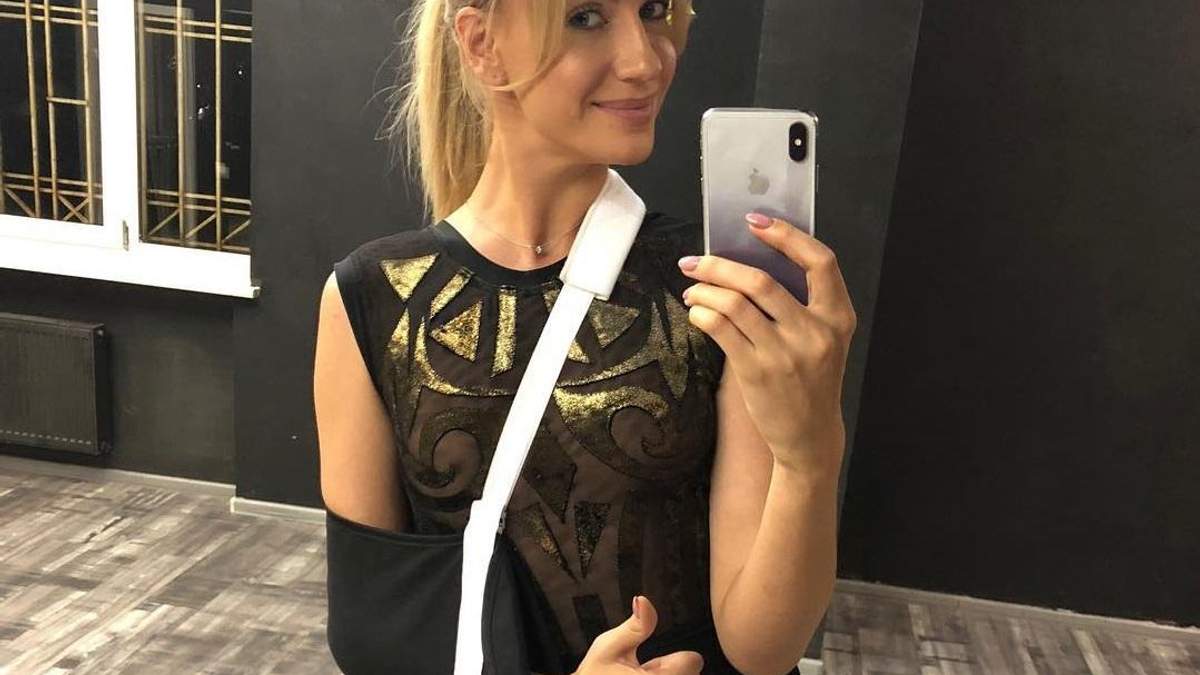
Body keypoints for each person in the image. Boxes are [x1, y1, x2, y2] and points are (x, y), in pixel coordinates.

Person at [312, 0, 858, 673]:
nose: (645, 60)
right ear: (483, 44)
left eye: (653, 10)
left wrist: (811, 456)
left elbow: (763, 649)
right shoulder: (373, 296)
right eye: (585, 17)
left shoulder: (712, 289)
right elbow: (372, 634)